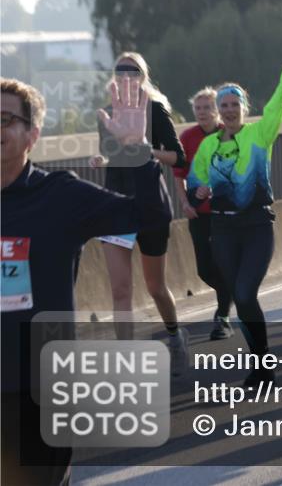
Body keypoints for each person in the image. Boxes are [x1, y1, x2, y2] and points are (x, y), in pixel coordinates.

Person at [2, 77, 171, 486]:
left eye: (5, 119)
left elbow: (150, 219)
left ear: (33, 135)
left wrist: (137, 152)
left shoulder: (59, 195)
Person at [187, 36, 282, 388]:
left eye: (233, 104)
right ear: (217, 110)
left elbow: (279, 104)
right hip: (223, 230)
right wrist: (199, 193)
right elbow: (194, 191)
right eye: (222, 105)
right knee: (241, 297)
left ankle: (261, 364)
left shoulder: (260, 135)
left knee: (244, 294)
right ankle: (261, 363)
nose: (227, 110)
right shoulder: (208, 146)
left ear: (244, 107)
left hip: (257, 226)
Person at [90, 53, 188, 370]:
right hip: (115, 204)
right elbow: (111, 152)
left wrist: (147, 148)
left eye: (132, 72)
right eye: (120, 72)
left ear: (143, 77)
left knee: (155, 287)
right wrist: (100, 160)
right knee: (120, 290)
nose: (125, 77)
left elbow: (178, 157)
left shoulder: (155, 110)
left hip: (149, 204)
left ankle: (174, 336)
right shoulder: (107, 114)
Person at [174, 87, 231, 340]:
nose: (202, 113)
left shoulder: (228, 134)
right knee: (204, 269)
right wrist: (185, 203)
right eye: (198, 109)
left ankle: (222, 317)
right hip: (198, 213)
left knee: (222, 261)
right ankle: (231, 292)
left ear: (216, 110)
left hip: (224, 211)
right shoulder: (187, 137)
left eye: (207, 108)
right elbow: (178, 175)